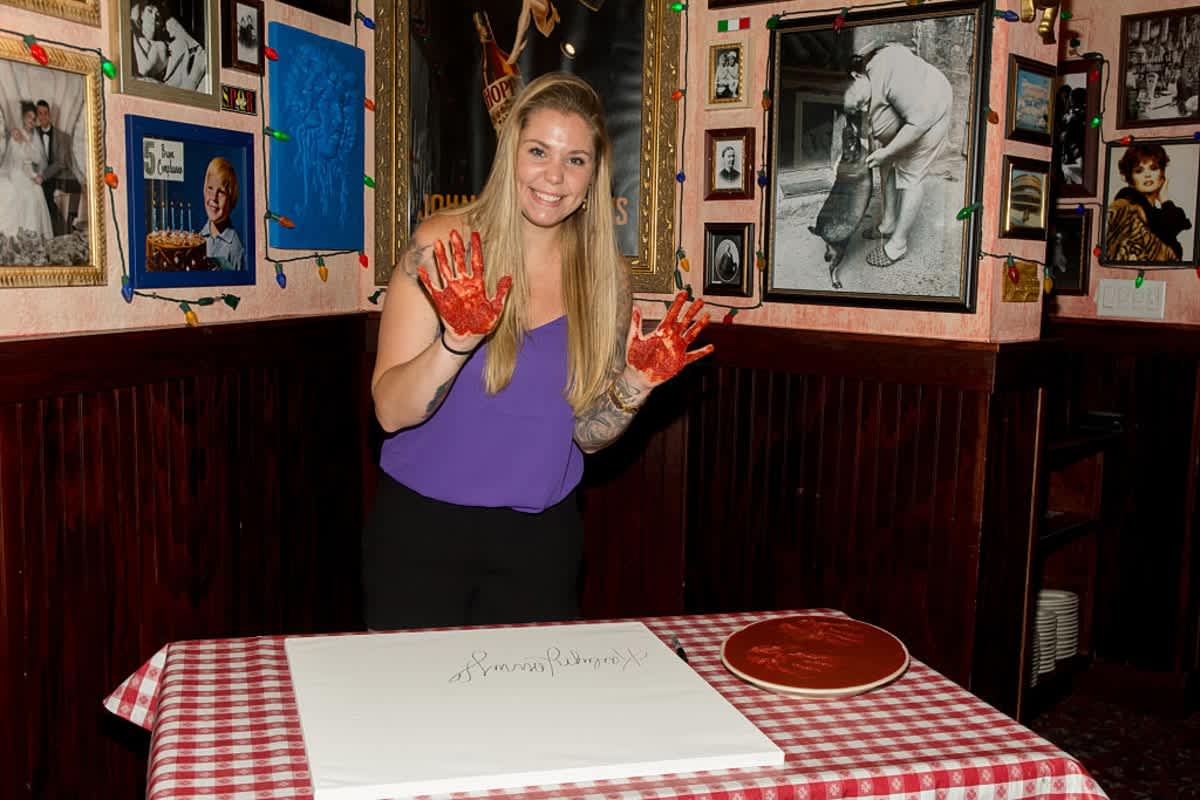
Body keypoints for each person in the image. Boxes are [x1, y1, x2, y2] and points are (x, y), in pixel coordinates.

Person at [365, 72, 712, 631]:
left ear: (594, 174)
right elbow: (389, 410)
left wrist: (635, 384)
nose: (554, 175)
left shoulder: (607, 279)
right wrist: (457, 342)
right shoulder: (441, 246)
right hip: (421, 534)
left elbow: (588, 436)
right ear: (511, 155)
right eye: (539, 151)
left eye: (575, 159)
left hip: (539, 543)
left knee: (533, 719)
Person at [842, 42, 953, 268]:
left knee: (911, 174)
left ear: (856, 76)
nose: (862, 109)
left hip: (930, 112)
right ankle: (888, 223)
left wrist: (888, 151)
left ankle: (898, 245)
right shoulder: (862, 83)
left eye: (860, 104)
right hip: (908, 115)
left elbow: (920, 120)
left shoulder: (889, 67)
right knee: (887, 166)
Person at [1105, 142, 1192, 262]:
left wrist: (1164, 199)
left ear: (1162, 174)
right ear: (1129, 178)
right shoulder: (1124, 208)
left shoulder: (1162, 216)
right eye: (1139, 171)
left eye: (1154, 168)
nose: (1147, 175)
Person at [0, 101, 54, 240]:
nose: (31, 120)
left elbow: (38, 159)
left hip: (29, 172)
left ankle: (33, 238)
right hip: (16, 171)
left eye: (33, 118)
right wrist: (21, 143)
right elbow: (15, 159)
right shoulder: (16, 135)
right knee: (23, 193)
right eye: (29, 117)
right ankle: (17, 236)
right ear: (23, 118)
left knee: (37, 191)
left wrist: (36, 175)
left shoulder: (34, 137)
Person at [130, 0, 208, 91]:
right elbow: (144, 69)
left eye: (158, 15)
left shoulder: (164, 43)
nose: (154, 16)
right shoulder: (137, 39)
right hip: (184, 82)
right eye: (149, 11)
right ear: (140, 17)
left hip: (192, 67)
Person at [31, 100, 81, 235]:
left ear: (50, 115)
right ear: (37, 116)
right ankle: (57, 229)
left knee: (74, 186)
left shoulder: (62, 136)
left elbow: (60, 162)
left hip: (60, 175)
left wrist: (43, 176)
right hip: (43, 177)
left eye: (45, 113)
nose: (43, 117)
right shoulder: (32, 133)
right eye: (40, 114)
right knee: (40, 190)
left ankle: (66, 226)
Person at [198, 157, 244, 270]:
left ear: (231, 199)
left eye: (221, 192)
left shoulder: (236, 248)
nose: (213, 197)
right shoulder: (198, 240)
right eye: (210, 188)